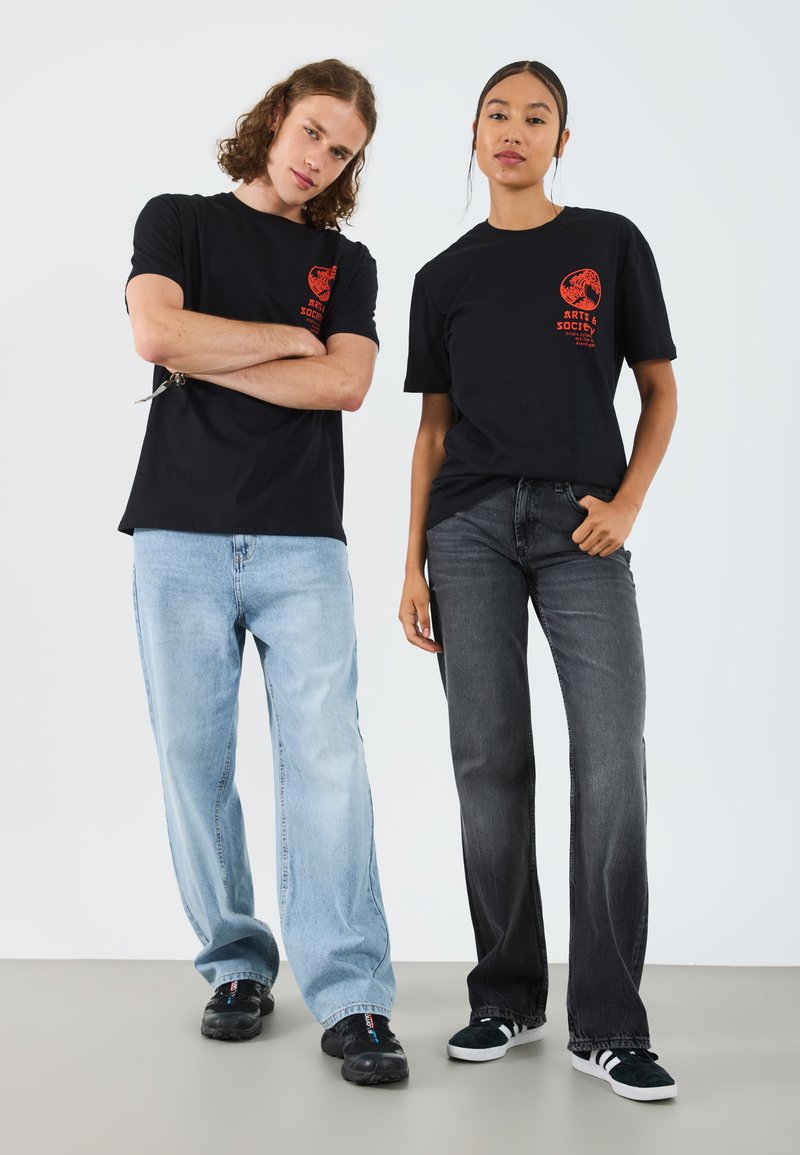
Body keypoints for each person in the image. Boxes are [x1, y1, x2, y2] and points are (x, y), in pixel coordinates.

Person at [121, 58, 408, 1086]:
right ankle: (237, 963)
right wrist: (288, 341)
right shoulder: (177, 222)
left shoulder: (348, 262)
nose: (319, 158)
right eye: (313, 131)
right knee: (192, 760)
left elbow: (348, 383)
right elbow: (156, 331)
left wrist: (215, 354)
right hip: (178, 534)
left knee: (328, 763)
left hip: (301, 542)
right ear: (277, 116)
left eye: (342, 150)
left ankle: (353, 994)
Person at [399, 59, 678, 1102]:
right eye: (495, 113)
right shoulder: (442, 276)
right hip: (466, 530)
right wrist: (411, 562)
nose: (512, 129)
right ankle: (506, 994)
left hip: (580, 527)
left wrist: (627, 503)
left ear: (562, 139)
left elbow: (658, 391)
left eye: (535, 115)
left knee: (610, 757)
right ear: (474, 135)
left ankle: (607, 1025)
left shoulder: (608, 244)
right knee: (488, 761)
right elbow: (432, 431)